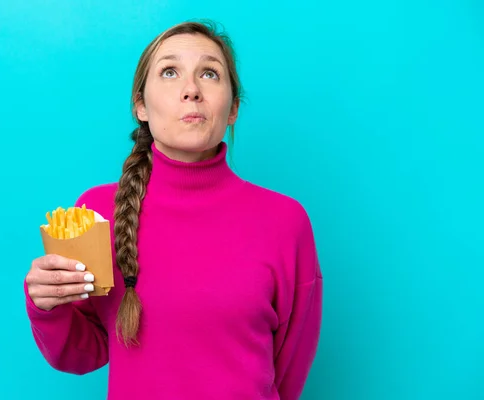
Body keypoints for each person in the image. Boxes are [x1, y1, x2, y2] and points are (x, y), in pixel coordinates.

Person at [24, 20, 323, 400]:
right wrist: (47, 305)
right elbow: (82, 352)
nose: (191, 91)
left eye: (210, 74)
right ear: (141, 106)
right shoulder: (97, 212)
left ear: (232, 108)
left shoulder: (285, 222)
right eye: (169, 72)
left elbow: (289, 369)